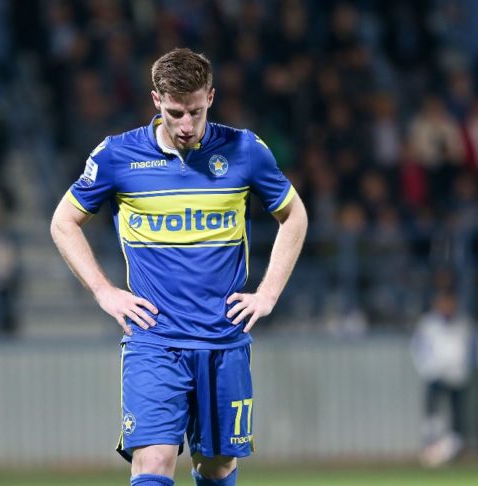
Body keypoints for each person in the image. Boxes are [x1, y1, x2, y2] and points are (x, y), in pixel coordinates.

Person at [50, 48, 308, 486]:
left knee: (216, 466)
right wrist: (103, 291)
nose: (186, 125)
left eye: (196, 111)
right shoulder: (117, 155)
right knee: (153, 461)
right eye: (175, 113)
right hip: (155, 340)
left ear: (211, 97)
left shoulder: (245, 150)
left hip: (223, 339)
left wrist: (268, 294)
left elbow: (294, 215)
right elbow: (63, 222)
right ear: (156, 100)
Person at [410, 289, 475, 467]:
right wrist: (426, 368)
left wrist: (465, 369)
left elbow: (470, 349)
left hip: (458, 376)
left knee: (458, 415)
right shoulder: (427, 324)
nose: (447, 307)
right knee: (432, 412)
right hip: (435, 374)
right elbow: (417, 348)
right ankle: (430, 447)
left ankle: (453, 452)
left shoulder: (463, 322)